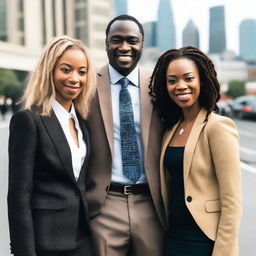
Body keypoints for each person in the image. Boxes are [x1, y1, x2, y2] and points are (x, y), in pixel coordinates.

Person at [149, 46, 242, 256]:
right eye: (172, 80)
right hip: (173, 238)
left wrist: (223, 252)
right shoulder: (171, 129)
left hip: (203, 240)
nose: (180, 86)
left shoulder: (217, 127)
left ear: (202, 80)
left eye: (188, 78)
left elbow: (232, 201)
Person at [7, 36, 96, 256]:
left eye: (82, 72)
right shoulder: (29, 121)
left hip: (83, 240)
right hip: (46, 243)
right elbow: (19, 196)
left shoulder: (83, 123)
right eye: (66, 69)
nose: (75, 78)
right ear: (49, 71)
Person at [86, 15, 166, 256]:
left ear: (142, 43)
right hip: (105, 203)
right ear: (106, 44)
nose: (124, 47)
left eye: (132, 40)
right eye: (116, 40)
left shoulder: (159, 85)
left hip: (151, 203)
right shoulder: (86, 84)